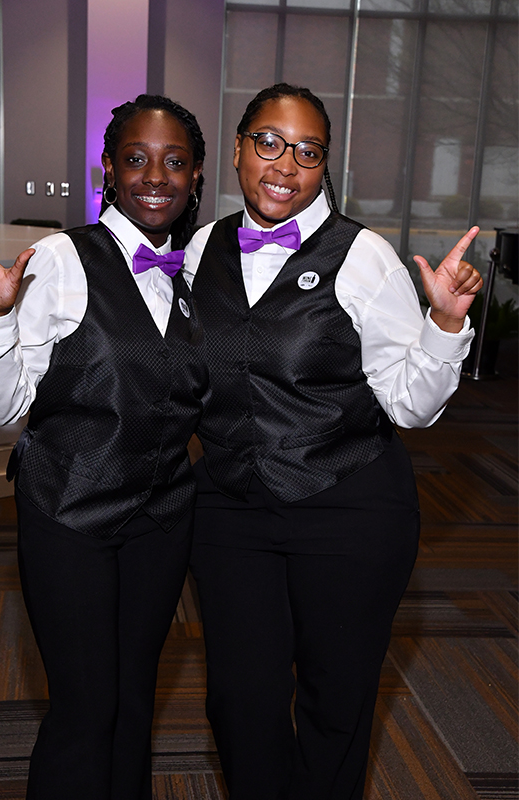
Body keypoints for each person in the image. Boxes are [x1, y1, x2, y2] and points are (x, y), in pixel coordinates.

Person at [183, 83, 483, 800]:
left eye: (308, 151)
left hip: (348, 508)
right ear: (237, 148)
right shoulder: (203, 247)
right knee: (238, 699)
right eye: (268, 142)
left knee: (334, 701)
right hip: (232, 508)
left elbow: (410, 405)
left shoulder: (363, 257)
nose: (285, 164)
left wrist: (443, 326)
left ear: (324, 165)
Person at [0, 94, 208, 800]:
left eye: (174, 161)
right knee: (84, 709)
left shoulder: (190, 274)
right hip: (71, 515)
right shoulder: (62, 258)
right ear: (109, 172)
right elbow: (6, 409)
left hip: (160, 521)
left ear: (195, 176)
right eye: (137, 159)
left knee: (131, 701)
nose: (156, 176)